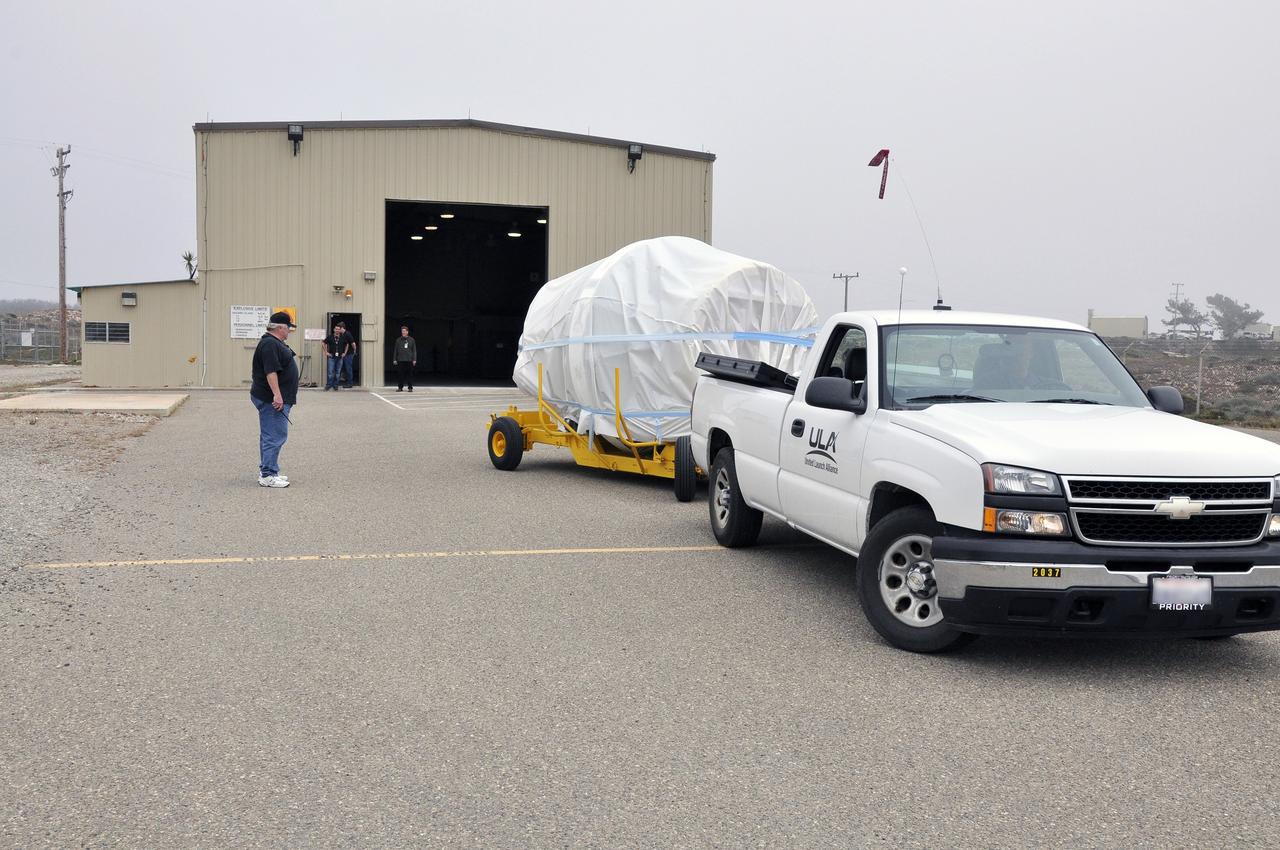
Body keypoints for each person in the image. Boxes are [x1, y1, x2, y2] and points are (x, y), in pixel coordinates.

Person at [250, 311, 298, 488]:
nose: (289, 332)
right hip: (272, 399)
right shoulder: (270, 344)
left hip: (274, 398)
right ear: (280, 328)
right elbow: (271, 371)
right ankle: (268, 474)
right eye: (288, 329)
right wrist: (277, 395)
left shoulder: (274, 343)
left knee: (271, 434)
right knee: (274, 436)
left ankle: (270, 470)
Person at [322, 321, 352, 390]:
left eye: (338, 329)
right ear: (334, 330)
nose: (337, 330)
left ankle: (336, 385)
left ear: (340, 330)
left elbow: (347, 344)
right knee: (330, 372)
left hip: (340, 358)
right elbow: (323, 343)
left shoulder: (343, 337)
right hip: (331, 357)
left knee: (338, 372)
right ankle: (329, 385)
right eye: (336, 329)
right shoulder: (330, 337)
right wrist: (326, 352)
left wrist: (345, 353)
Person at [392, 325, 417, 392]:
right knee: (400, 374)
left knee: (410, 375)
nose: (403, 332)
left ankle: (410, 387)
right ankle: (400, 387)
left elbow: (414, 350)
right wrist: (394, 359)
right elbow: (395, 350)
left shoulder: (412, 340)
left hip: (409, 360)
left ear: (407, 332)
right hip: (400, 360)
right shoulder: (398, 340)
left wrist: (414, 359)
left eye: (404, 331)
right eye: (402, 331)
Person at [341, 322, 358, 388]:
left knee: (348, 368)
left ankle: (350, 383)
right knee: (345, 368)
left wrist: (354, 351)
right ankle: (347, 381)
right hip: (345, 354)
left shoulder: (347, 334)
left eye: (340, 329)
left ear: (342, 328)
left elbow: (353, 343)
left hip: (349, 354)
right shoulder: (342, 334)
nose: (339, 330)